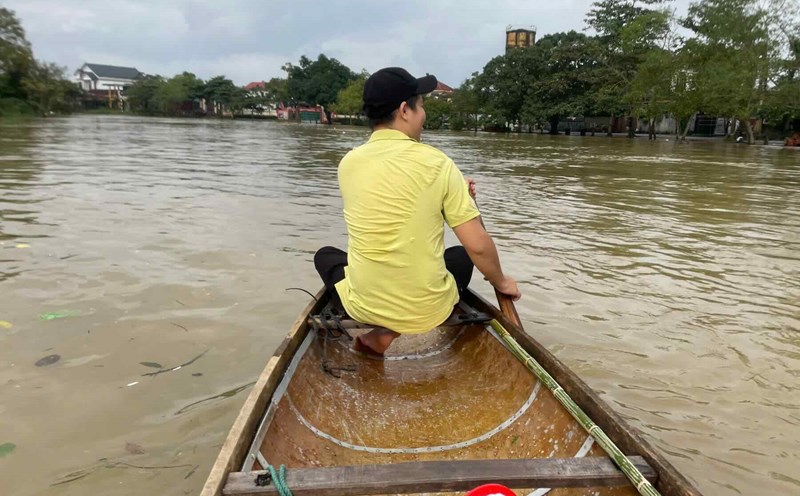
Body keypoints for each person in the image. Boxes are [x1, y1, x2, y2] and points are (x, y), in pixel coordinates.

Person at [314, 67, 521, 357]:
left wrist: (458, 193)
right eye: (421, 105)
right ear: (404, 110)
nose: (423, 115)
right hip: (428, 310)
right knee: (461, 256)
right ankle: (391, 329)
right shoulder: (439, 164)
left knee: (326, 255)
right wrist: (501, 282)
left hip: (364, 304)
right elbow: (477, 244)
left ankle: (383, 328)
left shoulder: (347, 164)